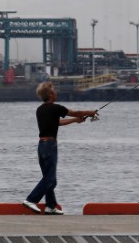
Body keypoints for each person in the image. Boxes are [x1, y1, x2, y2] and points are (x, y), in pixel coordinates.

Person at [22, 81, 96, 215]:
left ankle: (50, 206)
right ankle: (31, 199)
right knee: (49, 179)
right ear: (50, 94)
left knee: (49, 178)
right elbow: (75, 112)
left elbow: (57, 123)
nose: (56, 92)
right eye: (54, 90)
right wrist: (89, 113)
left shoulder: (40, 109)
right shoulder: (56, 108)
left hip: (41, 146)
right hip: (50, 145)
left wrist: (75, 121)